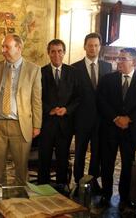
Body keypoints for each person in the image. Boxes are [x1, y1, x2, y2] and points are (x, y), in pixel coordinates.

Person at [0, 34, 42, 186]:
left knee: (21, 169)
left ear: (19, 48)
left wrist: (37, 125)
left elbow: (36, 100)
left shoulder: (33, 70)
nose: (3, 50)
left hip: (21, 125)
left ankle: (20, 202)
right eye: (2, 46)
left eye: (6, 47)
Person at [97, 48, 136, 210]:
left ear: (133, 62)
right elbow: (101, 101)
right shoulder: (107, 79)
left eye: (122, 59)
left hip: (131, 129)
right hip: (110, 128)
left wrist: (129, 118)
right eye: (118, 58)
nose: (118, 61)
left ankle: (125, 196)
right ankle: (106, 195)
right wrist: (115, 118)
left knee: (128, 164)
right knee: (107, 163)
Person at [38, 39, 80, 194]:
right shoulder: (40, 72)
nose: (56, 54)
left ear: (64, 52)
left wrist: (66, 109)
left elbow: (78, 97)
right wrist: (50, 110)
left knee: (63, 158)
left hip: (65, 124)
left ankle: (62, 190)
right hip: (47, 123)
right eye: (53, 51)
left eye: (59, 51)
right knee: (45, 158)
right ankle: (42, 189)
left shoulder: (73, 72)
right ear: (48, 53)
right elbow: (36, 97)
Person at [71, 32, 112, 193]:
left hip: (101, 120)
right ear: (84, 47)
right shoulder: (75, 67)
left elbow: (109, 94)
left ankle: (93, 182)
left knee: (97, 153)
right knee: (80, 152)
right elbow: (73, 95)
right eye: (90, 45)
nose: (93, 48)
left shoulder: (108, 67)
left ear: (100, 47)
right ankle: (78, 182)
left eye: (96, 45)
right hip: (81, 119)